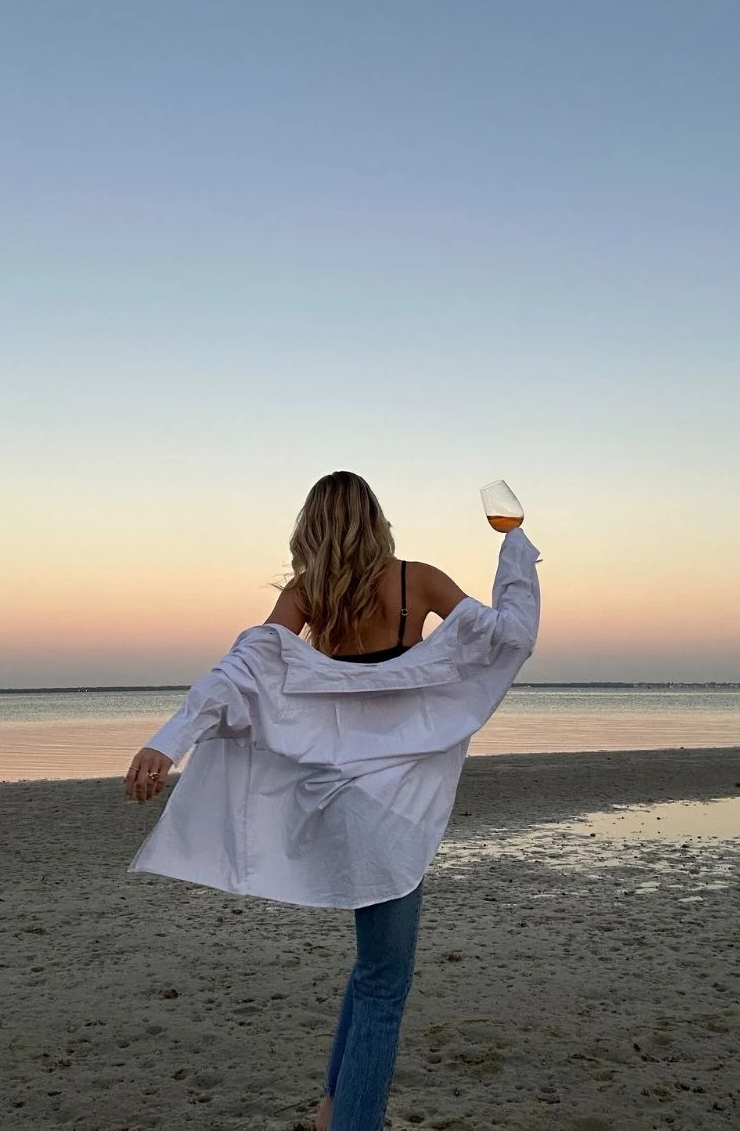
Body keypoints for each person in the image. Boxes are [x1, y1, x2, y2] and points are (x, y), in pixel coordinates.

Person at [123, 471, 541, 1131]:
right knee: (385, 982)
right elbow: (507, 637)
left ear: (312, 527)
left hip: (336, 804)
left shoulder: (307, 594)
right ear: (376, 518)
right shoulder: (418, 581)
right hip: (395, 808)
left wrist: (171, 739)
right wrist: (516, 549)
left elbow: (242, 670)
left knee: (371, 964)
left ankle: (330, 1108)